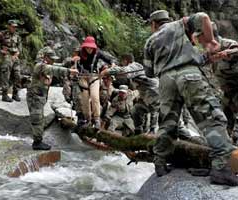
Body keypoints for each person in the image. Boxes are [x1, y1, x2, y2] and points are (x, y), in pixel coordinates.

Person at [144, 10, 237, 185]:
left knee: (167, 123)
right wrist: (210, 41)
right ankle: (221, 168)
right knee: (211, 118)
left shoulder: (150, 40)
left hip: (165, 81)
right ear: (166, 20)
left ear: (154, 24)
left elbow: (149, 72)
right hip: (189, 76)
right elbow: (203, 17)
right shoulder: (180, 24)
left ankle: (160, 163)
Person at [27, 47, 78, 150]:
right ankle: (37, 142)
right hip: (35, 97)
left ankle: (38, 140)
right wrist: (69, 71)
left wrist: (72, 62)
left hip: (40, 97)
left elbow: (59, 66)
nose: (53, 61)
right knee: (37, 119)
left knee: (39, 118)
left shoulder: (47, 65)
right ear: (45, 57)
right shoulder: (40, 66)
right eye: (52, 58)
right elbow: (55, 70)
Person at [101, 53, 160, 134]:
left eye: (122, 62)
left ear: (125, 61)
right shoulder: (136, 71)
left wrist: (107, 71)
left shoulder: (135, 66)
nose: (122, 64)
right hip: (146, 95)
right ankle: (138, 132)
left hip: (153, 93)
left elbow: (125, 71)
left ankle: (152, 132)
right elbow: (123, 75)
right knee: (136, 110)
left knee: (153, 112)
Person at [76, 36, 115, 128]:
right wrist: (73, 64)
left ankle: (97, 119)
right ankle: (88, 119)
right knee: (84, 100)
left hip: (94, 77)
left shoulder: (98, 53)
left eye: (91, 47)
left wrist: (112, 65)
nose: (89, 49)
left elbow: (110, 60)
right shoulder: (80, 53)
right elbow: (73, 62)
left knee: (94, 97)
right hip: (82, 77)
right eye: (87, 47)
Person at [210, 25, 238, 145]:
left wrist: (229, 52)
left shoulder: (228, 44)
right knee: (223, 122)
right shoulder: (208, 50)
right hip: (227, 94)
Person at [0, 20, 22, 102]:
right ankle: (4, 95)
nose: (14, 28)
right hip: (7, 56)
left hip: (15, 57)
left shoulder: (17, 36)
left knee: (17, 75)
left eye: (15, 27)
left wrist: (17, 54)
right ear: (9, 26)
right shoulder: (3, 34)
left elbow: (20, 47)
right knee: (6, 75)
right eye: (13, 26)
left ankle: (15, 94)